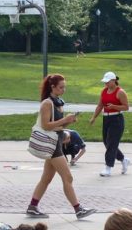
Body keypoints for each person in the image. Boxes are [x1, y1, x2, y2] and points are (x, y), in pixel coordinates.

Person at [25, 74, 95, 220]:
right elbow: (45, 125)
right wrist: (65, 119)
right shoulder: (47, 103)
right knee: (68, 177)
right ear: (52, 87)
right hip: (52, 146)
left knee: (46, 179)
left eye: (65, 87)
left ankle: (32, 207)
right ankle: (78, 209)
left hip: (55, 143)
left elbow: (58, 125)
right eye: (61, 87)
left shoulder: (58, 103)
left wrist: (69, 122)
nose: (64, 89)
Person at [90, 71, 130, 177]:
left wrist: (114, 107)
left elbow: (126, 107)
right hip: (106, 119)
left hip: (116, 119)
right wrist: (94, 117)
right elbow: (100, 105)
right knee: (107, 143)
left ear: (114, 81)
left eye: (107, 82)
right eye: (105, 82)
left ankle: (108, 168)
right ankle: (123, 159)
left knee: (111, 144)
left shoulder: (120, 92)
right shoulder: (104, 91)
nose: (106, 84)